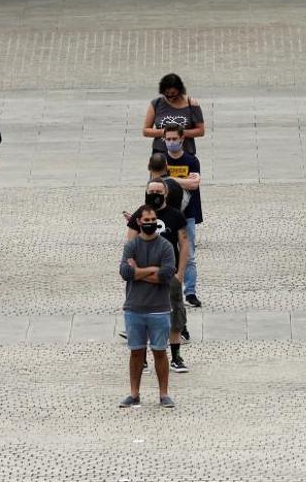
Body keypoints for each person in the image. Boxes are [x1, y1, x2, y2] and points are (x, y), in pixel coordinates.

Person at [126, 179, 190, 373]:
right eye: (151, 190)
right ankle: (143, 358)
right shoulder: (139, 215)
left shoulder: (175, 215)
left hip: (169, 274)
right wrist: (136, 272)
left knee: (175, 314)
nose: (155, 194)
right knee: (142, 314)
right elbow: (129, 243)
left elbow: (184, 244)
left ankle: (176, 356)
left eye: (158, 191)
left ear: (166, 193)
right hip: (142, 276)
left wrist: (180, 273)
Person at [119, 206, 176, 408]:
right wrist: (153, 269)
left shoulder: (166, 246)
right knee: (136, 352)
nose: (150, 222)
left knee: (160, 352)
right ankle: (134, 393)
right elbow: (125, 272)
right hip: (134, 307)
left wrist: (140, 271)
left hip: (159, 308)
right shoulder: (131, 245)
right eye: (146, 219)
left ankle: (164, 394)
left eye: (153, 219)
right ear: (139, 222)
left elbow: (166, 275)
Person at [161, 124, 205, 310]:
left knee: (190, 255)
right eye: (168, 139)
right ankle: (165, 292)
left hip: (187, 214)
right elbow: (156, 183)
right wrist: (184, 181)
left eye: (174, 139)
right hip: (165, 215)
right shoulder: (161, 159)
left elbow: (195, 184)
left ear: (182, 139)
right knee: (166, 254)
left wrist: (170, 180)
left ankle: (191, 292)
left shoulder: (192, 160)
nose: (171, 142)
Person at [143, 73, 205, 156]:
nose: (170, 97)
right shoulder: (156, 104)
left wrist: (180, 133)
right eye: (167, 93)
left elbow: (200, 131)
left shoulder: (192, 104)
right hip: (161, 152)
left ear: (179, 91)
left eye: (173, 93)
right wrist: (165, 132)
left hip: (185, 152)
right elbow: (146, 131)